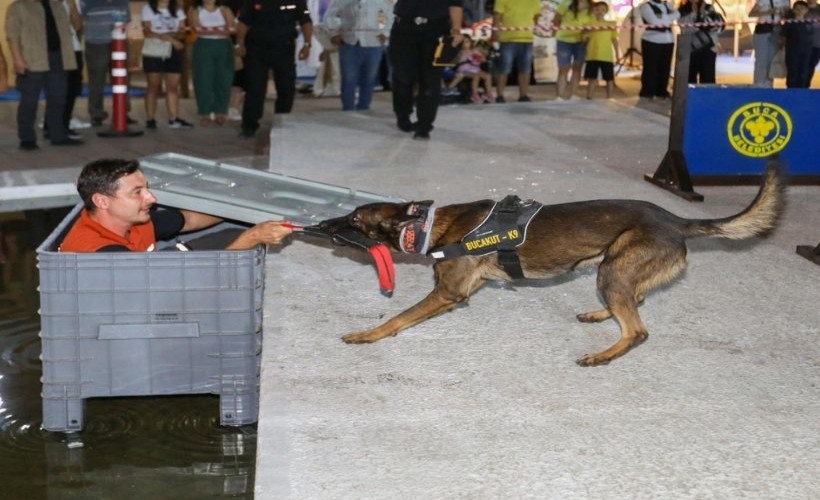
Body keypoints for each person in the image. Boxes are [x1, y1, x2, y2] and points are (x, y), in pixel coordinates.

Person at [60, 158, 294, 253]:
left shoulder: (128, 221)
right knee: (242, 239)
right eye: (137, 192)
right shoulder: (101, 253)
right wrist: (253, 237)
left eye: (146, 188)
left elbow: (188, 219)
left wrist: (242, 205)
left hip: (149, 278)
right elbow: (184, 287)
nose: (151, 198)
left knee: (234, 231)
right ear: (101, 201)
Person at [6, 0, 83, 151]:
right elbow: (12, 35)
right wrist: (17, 59)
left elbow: (78, 26)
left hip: (59, 58)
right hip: (32, 59)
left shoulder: (58, 5)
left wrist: (72, 5)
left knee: (58, 99)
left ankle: (57, 135)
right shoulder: (19, 6)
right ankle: (27, 138)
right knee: (29, 101)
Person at [235, 0, 313, 138]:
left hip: (284, 48)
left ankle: (281, 122)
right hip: (257, 49)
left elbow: (305, 21)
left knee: (286, 88)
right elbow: (243, 22)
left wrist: (307, 44)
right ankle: (249, 125)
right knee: (255, 88)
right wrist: (240, 43)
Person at [390, 0, 464, 140]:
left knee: (430, 81)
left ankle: (424, 125)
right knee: (402, 77)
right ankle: (403, 115)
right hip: (403, 28)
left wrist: (456, 30)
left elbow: (455, 4)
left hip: (434, 31)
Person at [324, 0, 394, 111]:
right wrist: (334, 33)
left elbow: (391, 16)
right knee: (349, 77)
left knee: (369, 77)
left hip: (373, 43)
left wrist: (385, 33)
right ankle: (348, 107)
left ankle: (364, 106)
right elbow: (329, 16)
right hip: (350, 42)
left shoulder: (382, 1)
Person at [141, 0, 194, 130]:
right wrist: (170, 38)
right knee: (153, 86)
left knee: (173, 86)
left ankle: (174, 118)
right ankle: (150, 119)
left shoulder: (177, 9)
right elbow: (147, 32)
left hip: (174, 50)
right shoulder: (148, 8)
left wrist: (167, 36)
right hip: (154, 49)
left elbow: (182, 32)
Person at [81, 0, 132, 127]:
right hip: (96, 43)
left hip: (119, 41)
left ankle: (122, 112)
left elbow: (127, 18)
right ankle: (96, 114)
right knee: (97, 79)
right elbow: (81, 16)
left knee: (122, 79)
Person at [188, 0, 236, 125]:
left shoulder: (225, 10)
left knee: (224, 78)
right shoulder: (195, 11)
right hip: (203, 45)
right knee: (203, 78)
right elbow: (197, 29)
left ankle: (221, 112)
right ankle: (205, 112)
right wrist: (220, 29)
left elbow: (232, 28)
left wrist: (210, 29)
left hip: (223, 45)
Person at [491, 0, 540, 103]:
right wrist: (495, 33)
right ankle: (500, 95)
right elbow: (497, 16)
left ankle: (523, 95)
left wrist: (533, 28)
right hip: (508, 39)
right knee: (504, 68)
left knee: (525, 69)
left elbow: (536, 17)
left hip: (527, 39)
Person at [638, 0, 679, 100]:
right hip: (651, 40)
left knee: (665, 67)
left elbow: (678, 14)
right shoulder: (645, 6)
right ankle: (648, 92)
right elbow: (654, 21)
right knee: (650, 68)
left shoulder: (668, 5)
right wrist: (669, 17)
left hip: (668, 40)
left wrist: (663, 18)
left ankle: (662, 91)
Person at [554, 0, 591, 101]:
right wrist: (556, 31)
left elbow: (592, 23)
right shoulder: (566, 3)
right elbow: (556, 19)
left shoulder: (591, 6)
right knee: (564, 68)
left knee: (577, 67)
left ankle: (573, 95)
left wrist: (586, 33)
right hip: (564, 40)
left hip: (581, 41)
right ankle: (559, 96)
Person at [679, 0, 723, 84]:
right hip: (692, 47)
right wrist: (694, 13)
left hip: (708, 46)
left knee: (708, 76)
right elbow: (684, 28)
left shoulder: (709, 7)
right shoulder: (683, 9)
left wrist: (703, 13)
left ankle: (708, 96)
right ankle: (691, 96)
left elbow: (714, 26)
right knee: (691, 76)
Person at [442, 35, 495, 103]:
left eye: (467, 42)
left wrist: (481, 57)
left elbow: (484, 59)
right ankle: (474, 94)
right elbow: (455, 62)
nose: (466, 44)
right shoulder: (460, 52)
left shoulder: (474, 51)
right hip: (465, 69)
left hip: (475, 69)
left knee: (488, 76)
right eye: (464, 42)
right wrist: (459, 59)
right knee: (476, 76)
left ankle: (488, 93)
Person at [749, 0, 790, 88]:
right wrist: (768, 12)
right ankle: (759, 84)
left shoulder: (785, 1)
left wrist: (783, 13)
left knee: (772, 61)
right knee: (761, 60)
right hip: (762, 29)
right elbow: (751, 14)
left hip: (776, 30)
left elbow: (787, 15)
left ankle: (769, 85)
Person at [582, 1, 618, 99]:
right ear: (593, 10)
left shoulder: (611, 24)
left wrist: (617, 54)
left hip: (606, 56)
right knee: (592, 78)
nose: (600, 12)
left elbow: (614, 39)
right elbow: (584, 39)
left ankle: (610, 98)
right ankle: (589, 97)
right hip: (592, 55)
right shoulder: (589, 24)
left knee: (609, 78)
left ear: (606, 11)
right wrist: (585, 32)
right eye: (597, 9)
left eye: (603, 10)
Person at [781, 0, 814, 88]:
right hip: (792, 53)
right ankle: (791, 92)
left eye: (802, 8)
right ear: (793, 10)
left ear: (806, 10)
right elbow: (783, 37)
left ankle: (801, 93)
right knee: (792, 73)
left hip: (806, 52)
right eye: (797, 8)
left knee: (803, 73)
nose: (799, 10)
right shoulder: (789, 23)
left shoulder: (810, 23)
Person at [810, 0, 820, 85]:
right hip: (800, 44)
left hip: (817, 44)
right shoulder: (800, 7)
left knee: (811, 66)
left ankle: (806, 87)